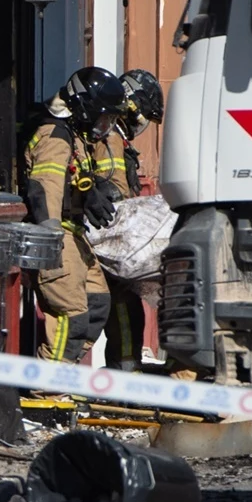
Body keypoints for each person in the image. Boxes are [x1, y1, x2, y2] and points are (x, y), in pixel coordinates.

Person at [22, 67, 125, 363]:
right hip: (57, 236)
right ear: (85, 107)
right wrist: (51, 239)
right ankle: (46, 391)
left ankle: (62, 372)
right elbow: (46, 188)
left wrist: (92, 190)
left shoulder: (73, 134)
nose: (105, 125)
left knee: (97, 304)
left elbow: (73, 177)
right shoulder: (54, 134)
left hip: (75, 234)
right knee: (72, 316)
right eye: (104, 116)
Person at [96, 69, 164, 370]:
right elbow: (114, 191)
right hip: (109, 237)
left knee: (129, 309)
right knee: (122, 310)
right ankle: (125, 373)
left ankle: (126, 369)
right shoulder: (109, 137)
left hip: (115, 238)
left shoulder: (118, 139)